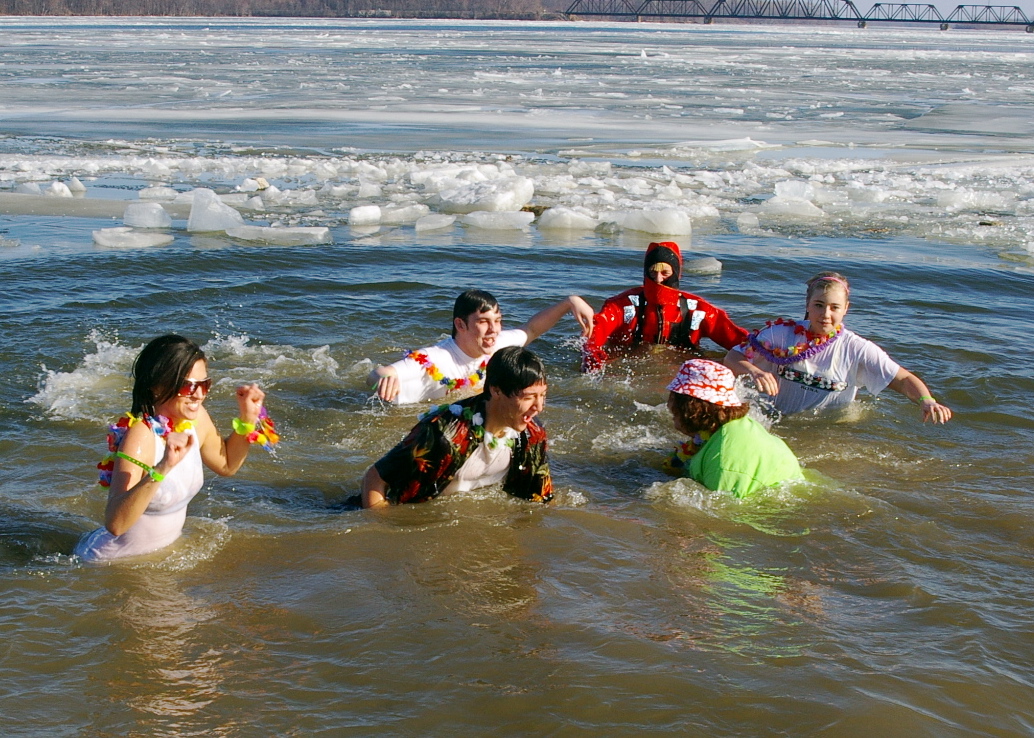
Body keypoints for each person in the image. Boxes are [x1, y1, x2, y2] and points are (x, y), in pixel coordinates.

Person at [75, 334, 277, 562]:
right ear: (157, 386)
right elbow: (116, 524)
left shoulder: (196, 419)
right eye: (187, 386)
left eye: (203, 384)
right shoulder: (142, 435)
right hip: (112, 563)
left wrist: (247, 420)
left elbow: (227, 465)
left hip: (154, 560)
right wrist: (163, 467)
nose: (199, 394)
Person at [723, 271, 953, 423]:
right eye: (819, 305)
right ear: (807, 305)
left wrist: (927, 401)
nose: (825, 314)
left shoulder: (858, 348)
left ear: (846, 309)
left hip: (826, 427)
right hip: (772, 419)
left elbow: (901, 378)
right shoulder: (778, 333)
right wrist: (754, 370)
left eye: (834, 307)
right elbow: (733, 358)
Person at [362, 346, 552, 508]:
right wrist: (383, 529)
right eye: (528, 397)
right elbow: (375, 478)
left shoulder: (532, 433)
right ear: (496, 390)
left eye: (542, 395)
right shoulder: (443, 434)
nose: (539, 407)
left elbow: (539, 497)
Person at [370, 289, 593, 405]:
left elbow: (532, 329)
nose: (494, 330)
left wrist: (569, 302)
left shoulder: (499, 344)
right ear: (461, 324)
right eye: (483, 322)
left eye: (497, 321)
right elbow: (377, 374)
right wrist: (383, 379)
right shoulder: (435, 359)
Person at [581, 241, 748, 373]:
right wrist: (593, 364)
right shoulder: (621, 305)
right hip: (629, 371)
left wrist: (767, 353)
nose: (659, 279)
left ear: (676, 274)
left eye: (665, 273)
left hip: (680, 371)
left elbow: (740, 342)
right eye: (652, 273)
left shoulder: (699, 311)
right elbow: (594, 336)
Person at [664, 359, 803, 497]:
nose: (669, 406)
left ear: (690, 408)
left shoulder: (723, 463)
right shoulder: (737, 425)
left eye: (674, 399)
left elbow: (721, 512)